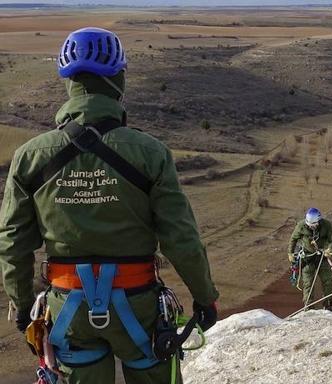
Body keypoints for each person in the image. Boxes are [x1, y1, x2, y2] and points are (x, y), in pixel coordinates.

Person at [0, 27, 219, 383]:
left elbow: (12, 243)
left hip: (68, 307)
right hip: (138, 306)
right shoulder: (151, 154)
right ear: (119, 79)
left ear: (69, 81)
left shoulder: (30, 157)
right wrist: (204, 297)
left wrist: (24, 309)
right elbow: (181, 237)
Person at [288, 208, 332, 311]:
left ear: (319, 220)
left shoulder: (326, 225)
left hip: (321, 257)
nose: (311, 226)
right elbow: (293, 239)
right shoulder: (301, 226)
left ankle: (328, 304)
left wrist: (329, 249)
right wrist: (290, 253)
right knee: (308, 284)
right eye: (309, 224)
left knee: (327, 281)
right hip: (307, 258)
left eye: (314, 224)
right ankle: (309, 307)